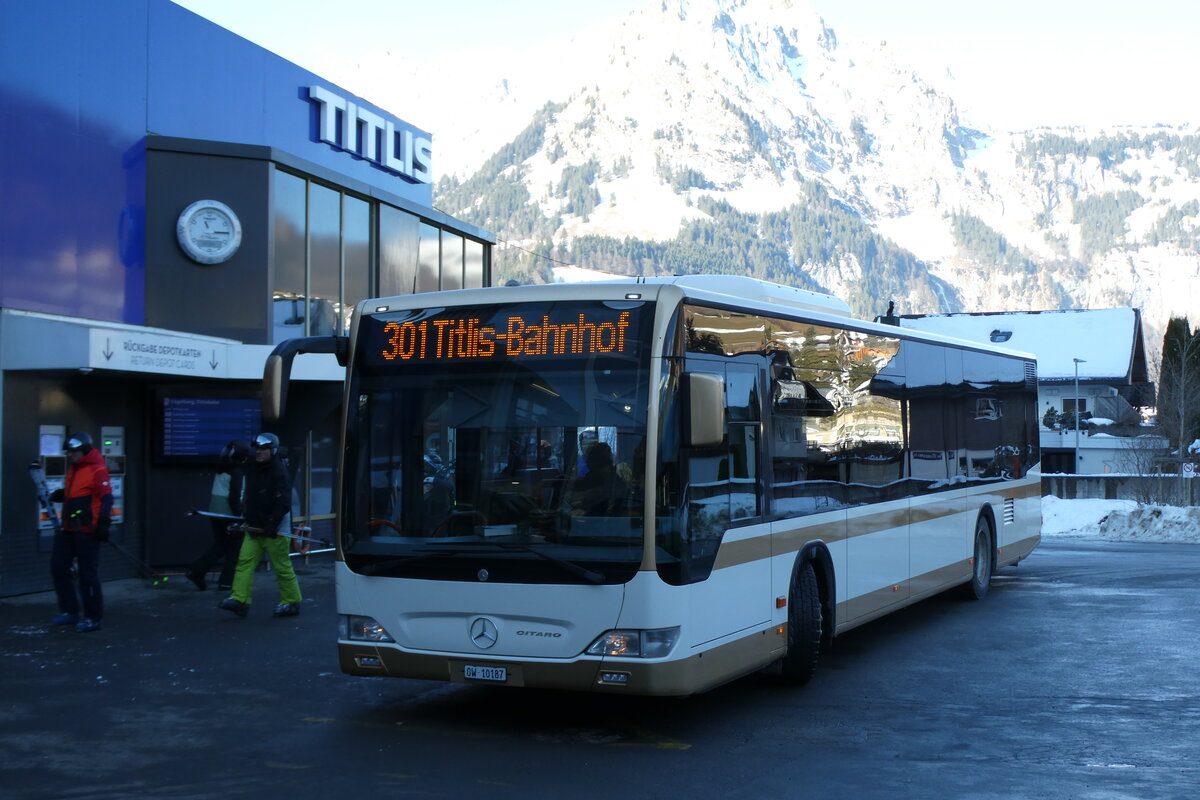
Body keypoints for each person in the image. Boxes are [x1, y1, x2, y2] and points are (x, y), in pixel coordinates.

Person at [218, 433, 302, 619]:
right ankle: (240, 600)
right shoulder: (253, 467)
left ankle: (291, 602)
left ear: (272, 450)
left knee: (282, 566)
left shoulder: (279, 472)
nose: (259, 452)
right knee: (244, 563)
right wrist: (231, 452)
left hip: (275, 529)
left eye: (264, 449)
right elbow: (230, 464)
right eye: (257, 448)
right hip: (254, 527)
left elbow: (283, 502)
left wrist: (272, 523)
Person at [48, 432, 114, 633]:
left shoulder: (97, 468)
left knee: (87, 574)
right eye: (68, 452)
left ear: (84, 450)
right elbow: (78, 492)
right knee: (58, 566)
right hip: (68, 527)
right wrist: (63, 495)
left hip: (87, 529)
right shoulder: (74, 469)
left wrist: (103, 523)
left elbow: (107, 498)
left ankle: (93, 617)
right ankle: (70, 611)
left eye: (73, 452)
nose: (70, 455)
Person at [185, 440, 249, 591]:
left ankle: (197, 571)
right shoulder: (237, 472)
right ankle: (226, 582)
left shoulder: (221, 468)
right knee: (234, 547)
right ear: (243, 458)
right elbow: (235, 498)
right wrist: (240, 516)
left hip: (214, 513)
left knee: (222, 544)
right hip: (229, 515)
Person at [565, 441, 627, 516]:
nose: (587, 464)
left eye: (588, 459)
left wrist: (584, 511)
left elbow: (600, 502)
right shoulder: (603, 475)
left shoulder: (609, 480)